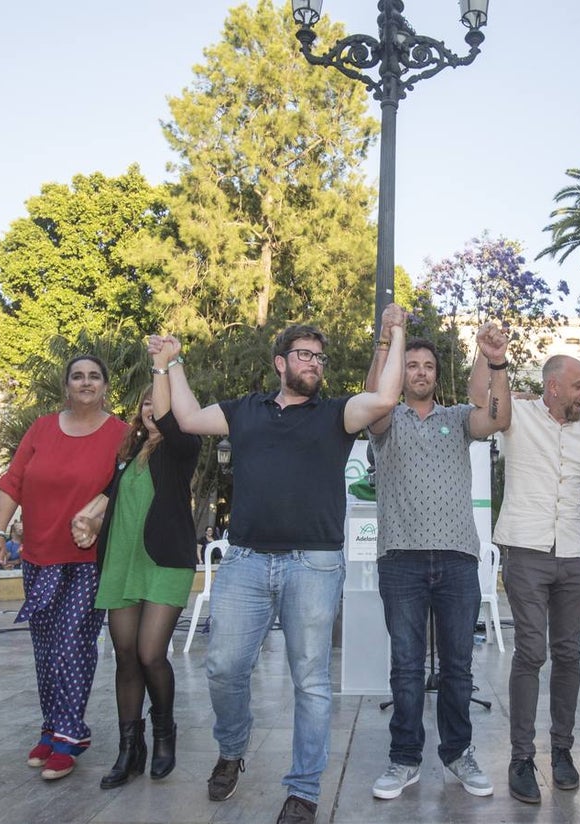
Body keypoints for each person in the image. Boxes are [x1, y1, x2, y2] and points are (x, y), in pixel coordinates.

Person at [157, 312, 406, 824]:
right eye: (304, 355)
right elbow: (186, 419)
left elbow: (383, 399)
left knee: (311, 680)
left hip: (314, 564)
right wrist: (172, 362)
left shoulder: (335, 413)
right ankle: (232, 749)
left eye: (319, 357)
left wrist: (395, 334)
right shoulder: (244, 410)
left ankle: (304, 790)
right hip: (245, 560)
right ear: (280, 363)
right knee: (224, 666)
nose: (314, 363)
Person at [365, 318, 511, 801]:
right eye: (412, 365)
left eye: (428, 365)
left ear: (436, 374)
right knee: (405, 667)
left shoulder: (457, 421)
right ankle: (404, 759)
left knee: (459, 667)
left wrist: (495, 360)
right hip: (400, 559)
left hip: (457, 560)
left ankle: (458, 753)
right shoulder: (385, 419)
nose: (421, 371)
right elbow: (373, 397)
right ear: (399, 371)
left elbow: (498, 416)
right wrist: (387, 341)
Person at [0, 354, 128, 781]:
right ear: (66, 385)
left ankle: (70, 733)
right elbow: (13, 482)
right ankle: (51, 726)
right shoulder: (42, 428)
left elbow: (125, 491)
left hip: (88, 559)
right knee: (45, 649)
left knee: (73, 643)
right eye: (78, 376)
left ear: (105, 385)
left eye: (95, 377)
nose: (86, 383)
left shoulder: (121, 434)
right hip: (38, 555)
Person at [492, 354, 580, 805]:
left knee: (568, 654)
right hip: (525, 550)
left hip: (572, 552)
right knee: (531, 651)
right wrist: (498, 367)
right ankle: (521, 758)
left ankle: (561, 751)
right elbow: (486, 401)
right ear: (554, 387)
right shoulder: (516, 416)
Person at [71, 375, 201, 790]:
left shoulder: (183, 448)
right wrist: (88, 522)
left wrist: (165, 369)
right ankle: (130, 748)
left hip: (164, 563)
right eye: (146, 404)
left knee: (150, 654)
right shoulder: (126, 453)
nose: (152, 410)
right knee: (125, 655)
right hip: (122, 562)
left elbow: (175, 419)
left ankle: (164, 735)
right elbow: (109, 499)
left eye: (158, 405)